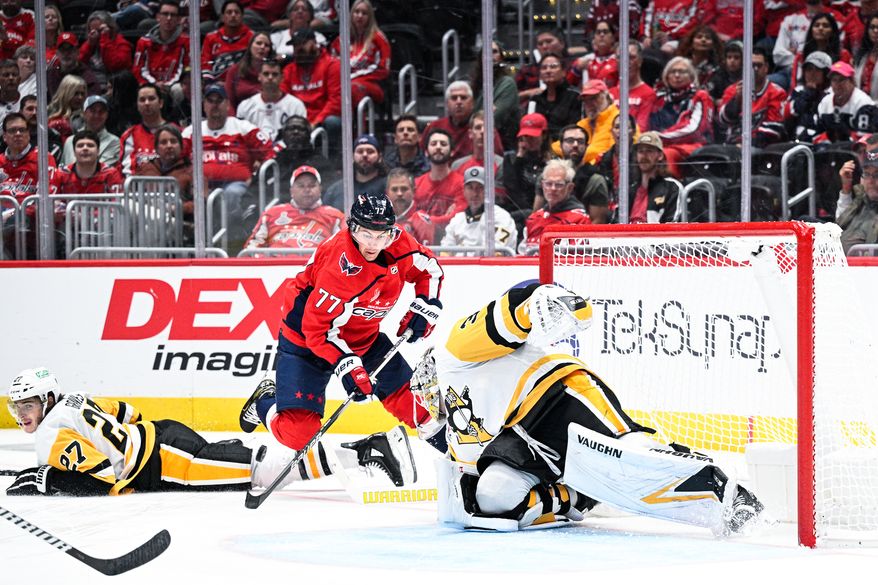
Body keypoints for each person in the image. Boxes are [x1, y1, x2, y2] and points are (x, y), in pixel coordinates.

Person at [409, 282, 765, 534]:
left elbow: (503, 316)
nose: (427, 401)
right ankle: (580, 494)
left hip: (555, 396)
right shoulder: (456, 437)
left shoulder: (453, 354)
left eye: (426, 391)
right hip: (518, 437)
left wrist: (537, 299)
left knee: (631, 457)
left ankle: (729, 492)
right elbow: (465, 499)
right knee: (492, 497)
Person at [237, 192, 447, 461]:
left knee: (416, 407)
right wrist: (349, 366)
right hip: (306, 341)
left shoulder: (398, 243)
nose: (373, 243)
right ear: (352, 227)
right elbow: (318, 332)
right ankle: (263, 401)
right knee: (298, 434)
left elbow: (429, 269)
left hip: (363, 336)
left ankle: (460, 457)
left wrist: (425, 305)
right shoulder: (339, 265)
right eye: (365, 234)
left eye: (381, 235)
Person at [4, 366, 414, 496]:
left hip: (170, 464)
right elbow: (128, 412)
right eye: (18, 407)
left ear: (47, 399)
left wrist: (50, 479)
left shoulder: (48, 437)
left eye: (28, 405)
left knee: (261, 475)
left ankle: (366, 451)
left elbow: (103, 480)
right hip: (167, 434)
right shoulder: (75, 397)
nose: (23, 414)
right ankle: (229, 448)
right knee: (241, 463)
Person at [182, 83, 274, 245]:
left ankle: (232, 242)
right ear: (204, 105)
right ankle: (203, 242)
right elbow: (180, 159)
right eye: (210, 100)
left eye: (219, 100)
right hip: (201, 187)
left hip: (236, 186)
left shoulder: (244, 127)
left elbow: (269, 151)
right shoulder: (191, 131)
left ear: (228, 105)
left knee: (231, 195)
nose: (215, 105)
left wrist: (257, 173)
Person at [243, 164, 345, 251]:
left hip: (317, 268)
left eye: (312, 185)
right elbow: (251, 250)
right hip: (276, 270)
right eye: (301, 186)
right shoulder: (272, 213)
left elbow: (344, 249)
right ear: (291, 190)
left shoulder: (335, 216)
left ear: (320, 189)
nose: (307, 190)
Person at [649, 56, 715, 178]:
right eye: (673, 72)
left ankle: (671, 193)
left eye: (682, 72)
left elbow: (696, 130)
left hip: (694, 145)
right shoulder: (659, 99)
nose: (677, 75)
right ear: (666, 76)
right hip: (662, 143)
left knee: (665, 155)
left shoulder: (700, 96)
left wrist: (661, 137)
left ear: (691, 76)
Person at [280, 28, 341, 150]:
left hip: (321, 120)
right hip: (297, 120)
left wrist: (315, 122)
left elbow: (335, 101)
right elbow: (283, 100)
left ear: (314, 43)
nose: (299, 48)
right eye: (295, 45)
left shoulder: (332, 65)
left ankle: (332, 162)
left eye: (302, 44)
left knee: (333, 122)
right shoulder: (288, 70)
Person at [135, 124, 195, 244]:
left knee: (157, 222)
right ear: (156, 148)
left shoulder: (192, 171)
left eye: (173, 141)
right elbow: (133, 194)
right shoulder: (146, 168)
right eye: (163, 142)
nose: (169, 146)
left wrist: (176, 208)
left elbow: (200, 203)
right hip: (146, 217)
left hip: (178, 221)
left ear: (181, 146)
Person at [717, 47, 788, 147]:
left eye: (758, 65)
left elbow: (774, 128)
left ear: (766, 67)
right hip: (732, 146)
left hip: (762, 148)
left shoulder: (777, 93)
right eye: (751, 65)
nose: (755, 69)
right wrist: (737, 99)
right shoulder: (732, 90)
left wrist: (746, 144)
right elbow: (723, 121)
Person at [518, 159, 591, 254]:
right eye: (548, 184)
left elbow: (578, 260)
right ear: (542, 185)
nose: (552, 189)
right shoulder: (534, 218)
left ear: (570, 187)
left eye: (558, 185)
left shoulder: (580, 220)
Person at [441, 166, 517, 255]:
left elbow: (495, 254)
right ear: (464, 191)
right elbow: (445, 252)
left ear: (489, 190)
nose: (475, 193)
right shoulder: (457, 220)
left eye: (480, 187)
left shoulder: (501, 217)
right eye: (470, 188)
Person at [421, 81, 504, 161]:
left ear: (472, 103)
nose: (459, 102)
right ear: (447, 104)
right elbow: (422, 156)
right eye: (454, 98)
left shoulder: (483, 128)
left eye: (463, 98)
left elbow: (497, 158)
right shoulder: (434, 127)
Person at [329, 0, 390, 105]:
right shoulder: (341, 40)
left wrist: (353, 77)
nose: (360, 16)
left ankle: (358, 122)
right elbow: (331, 64)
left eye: (364, 13)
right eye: (356, 12)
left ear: (370, 17)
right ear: (351, 14)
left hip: (371, 83)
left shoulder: (379, 39)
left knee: (351, 88)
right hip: (344, 83)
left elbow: (383, 69)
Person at [501, 112, 551, 229]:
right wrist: (519, 159)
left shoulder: (551, 160)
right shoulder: (511, 159)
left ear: (544, 135)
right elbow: (512, 189)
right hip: (518, 210)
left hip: (545, 211)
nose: (529, 140)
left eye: (534, 136)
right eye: (526, 136)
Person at [236, 58, 306, 140]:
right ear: (259, 77)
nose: (270, 78)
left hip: (286, 151)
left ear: (282, 78)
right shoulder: (245, 106)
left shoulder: (296, 105)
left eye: (275, 74)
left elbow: (300, 139)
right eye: (266, 74)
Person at [131, 0, 191, 90]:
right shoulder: (144, 41)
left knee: (178, 89)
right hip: (149, 85)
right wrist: (153, 84)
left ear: (179, 19)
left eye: (173, 15)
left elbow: (186, 68)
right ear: (158, 17)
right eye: (165, 14)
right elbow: (137, 69)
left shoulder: (187, 41)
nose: (169, 18)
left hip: (175, 85)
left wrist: (167, 85)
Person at [414, 128, 466, 230]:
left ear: (452, 152)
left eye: (443, 144)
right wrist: (444, 218)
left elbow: (457, 218)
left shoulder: (462, 183)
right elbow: (412, 218)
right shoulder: (416, 183)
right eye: (434, 144)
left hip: (452, 241)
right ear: (426, 152)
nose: (438, 147)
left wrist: (423, 218)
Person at [472, 40, 520, 150]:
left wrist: (479, 115)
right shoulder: (477, 86)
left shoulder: (507, 83)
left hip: (503, 146)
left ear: (501, 58)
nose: (490, 56)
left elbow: (494, 117)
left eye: (494, 52)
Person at [814, 60, 878, 143]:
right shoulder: (825, 103)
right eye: (834, 80)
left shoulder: (863, 103)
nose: (837, 84)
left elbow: (864, 140)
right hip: (830, 150)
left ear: (852, 82)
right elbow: (817, 132)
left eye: (841, 80)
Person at [559, 124, 610, 224]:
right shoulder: (549, 175)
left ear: (587, 146)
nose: (575, 145)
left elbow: (598, 221)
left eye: (580, 141)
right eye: (570, 140)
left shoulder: (595, 180)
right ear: (560, 145)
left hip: (581, 235)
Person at [626, 131, 680, 224]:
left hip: (656, 238)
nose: (644, 155)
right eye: (640, 151)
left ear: (660, 155)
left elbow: (672, 226)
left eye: (649, 151)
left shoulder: (671, 188)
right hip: (626, 237)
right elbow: (616, 222)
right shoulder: (630, 190)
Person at [323, 133, 386, 212]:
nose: (365, 155)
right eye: (360, 151)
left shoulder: (389, 187)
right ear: (352, 157)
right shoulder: (335, 190)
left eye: (370, 151)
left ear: (380, 157)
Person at [53, 129, 124, 197]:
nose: (85, 148)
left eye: (90, 145)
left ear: (98, 151)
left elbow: (117, 203)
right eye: (80, 146)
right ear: (74, 152)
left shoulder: (111, 173)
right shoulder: (60, 174)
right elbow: (53, 204)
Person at [119, 83, 171, 175]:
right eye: (142, 100)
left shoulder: (178, 132)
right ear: (137, 106)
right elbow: (126, 171)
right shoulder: (129, 135)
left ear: (161, 103)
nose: (147, 103)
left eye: (151, 99)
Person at [529, 53, 582, 141]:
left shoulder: (575, 97)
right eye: (544, 68)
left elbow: (574, 129)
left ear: (563, 72)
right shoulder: (536, 99)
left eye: (553, 67)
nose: (548, 70)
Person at [608, 41, 657, 133]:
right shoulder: (609, 93)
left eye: (631, 57)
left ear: (640, 61)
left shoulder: (649, 94)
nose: (626, 62)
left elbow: (641, 128)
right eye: (620, 57)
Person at [60, 95, 120, 167]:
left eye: (101, 111)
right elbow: (61, 170)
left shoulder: (114, 142)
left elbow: (100, 170)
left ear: (107, 115)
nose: (97, 115)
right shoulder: (69, 141)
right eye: (92, 111)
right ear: (84, 113)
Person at [201, 0, 254, 82]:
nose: (233, 15)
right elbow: (205, 63)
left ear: (242, 16)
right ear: (222, 17)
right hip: (216, 82)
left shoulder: (252, 37)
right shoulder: (210, 37)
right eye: (229, 12)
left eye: (236, 12)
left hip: (243, 81)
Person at [838, 146, 878, 253]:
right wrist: (846, 187)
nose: (870, 181)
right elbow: (839, 225)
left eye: (876, 175)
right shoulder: (863, 200)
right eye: (866, 174)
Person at [79, 10, 133, 87]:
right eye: (92, 30)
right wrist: (89, 44)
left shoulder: (122, 44)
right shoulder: (90, 43)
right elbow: (79, 64)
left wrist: (105, 39)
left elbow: (113, 66)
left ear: (110, 28)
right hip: (90, 85)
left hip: (114, 86)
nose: (96, 34)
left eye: (99, 30)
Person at [224, 31, 275, 110]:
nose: (262, 47)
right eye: (258, 43)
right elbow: (228, 102)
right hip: (239, 118)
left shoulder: (273, 72)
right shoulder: (234, 71)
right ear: (250, 46)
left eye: (266, 45)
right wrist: (234, 121)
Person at [386, 167, 435, 245]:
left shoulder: (421, 220)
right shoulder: (381, 219)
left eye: (404, 189)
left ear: (414, 191)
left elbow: (426, 255)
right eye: (394, 189)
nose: (399, 193)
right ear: (387, 192)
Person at [46, 75, 87, 146]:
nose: (80, 97)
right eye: (76, 93)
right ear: (66, 92)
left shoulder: (85, 118)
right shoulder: (47, 111)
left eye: (82, 94)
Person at [0, 56, 18, 126]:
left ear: (19, 79)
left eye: (14, 75)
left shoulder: (26, 101)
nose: (11, 78)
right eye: (6, 75)